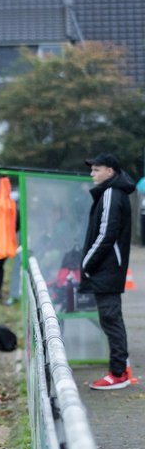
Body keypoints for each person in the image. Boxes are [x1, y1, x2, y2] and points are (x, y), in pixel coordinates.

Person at [80, 153, 135, 390]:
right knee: (112, 319)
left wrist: (86, 263)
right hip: (109, 267)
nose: (92, 174)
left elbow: (106, 234)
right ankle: (122, 367)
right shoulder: (112, 191)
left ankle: (118, 373)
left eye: (96, 169)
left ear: (110, 171)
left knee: (111, 319)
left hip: (107, 268)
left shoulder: (112, 193)